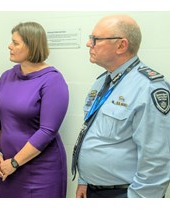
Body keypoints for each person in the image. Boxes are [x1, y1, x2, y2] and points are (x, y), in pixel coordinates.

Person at [71, 14, 170, 198]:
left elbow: (157, 161)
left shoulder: (149, 88)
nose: (88, 44)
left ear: (121, 46)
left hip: (125, 194)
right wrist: (84, 180)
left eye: (95, 39)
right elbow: (91, 133)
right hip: (93, 190)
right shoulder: (102, 82)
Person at [0, 22, 69, 198]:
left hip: (40, 171)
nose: (10, 46)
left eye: (15, 43)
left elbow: (47, 131)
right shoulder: (7, 76)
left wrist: (15, 163)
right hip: (6, 166)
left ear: (32, 46)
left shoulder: (52, 80)